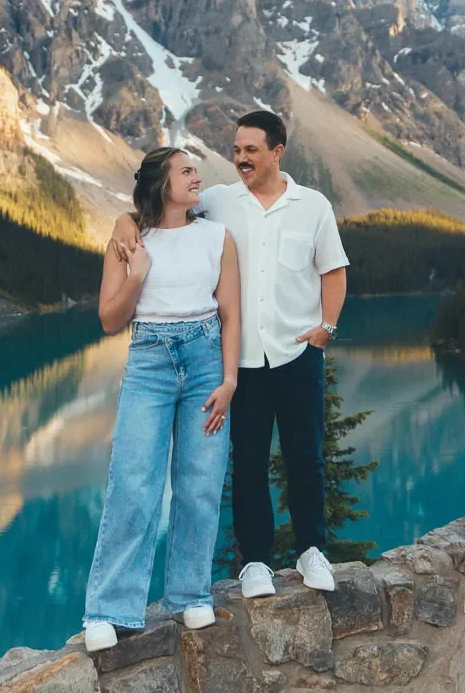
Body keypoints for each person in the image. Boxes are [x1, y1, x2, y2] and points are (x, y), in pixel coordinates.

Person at [110, 110, 348, 600]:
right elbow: (158, 210)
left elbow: (333, 271)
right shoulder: (217, 202)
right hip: (241, 361)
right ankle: (256, 562)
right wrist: (122, 218)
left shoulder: (313, 206)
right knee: (249, 463)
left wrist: (326, 329)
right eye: (236, 150)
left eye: (250, 150)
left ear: (277, 151)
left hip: (298, 354)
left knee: (305, 457)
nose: (239, 158)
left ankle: (311, 551)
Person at [83, 146, 242, 653]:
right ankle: (109, 610)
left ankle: (189, 594)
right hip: (149, 361)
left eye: (198, 169)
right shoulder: (130, 238)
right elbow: (110, 319)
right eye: (187, 170)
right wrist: (137, 273)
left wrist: (230, 380)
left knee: (200, 481)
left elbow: (231, 315)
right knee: (133, 481)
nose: (199, 177)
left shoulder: (218, 237)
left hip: (205, 364)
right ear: (161, 183)